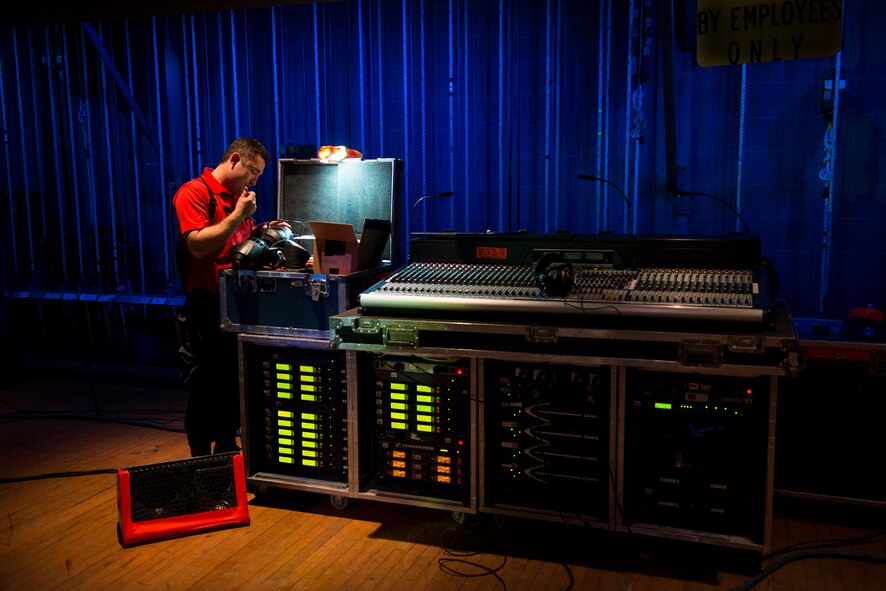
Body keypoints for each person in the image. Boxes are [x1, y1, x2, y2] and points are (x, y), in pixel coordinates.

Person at [172, 137, 289, 456]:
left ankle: (227, 450)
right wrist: (238, 216)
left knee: (236, 381)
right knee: (206, 383)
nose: (254, 180)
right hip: (207, 305)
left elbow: (233, 246)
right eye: (252, 171)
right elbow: (197, 244)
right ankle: (199, 455)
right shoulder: (195, 192)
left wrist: (260, 230)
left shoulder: (238, 201)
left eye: (259, 176)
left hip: (238, 304)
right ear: (235, 159)